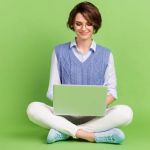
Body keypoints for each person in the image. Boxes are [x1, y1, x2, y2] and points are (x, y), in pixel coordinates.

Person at [27, 1, 133, 144]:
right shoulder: (59, 51)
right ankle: (90, 135)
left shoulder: (106, 54)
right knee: (33, 109)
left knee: (126, 113)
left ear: (95, 25)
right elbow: (52, 90)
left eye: (88, 24)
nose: (84, 28)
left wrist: (93, 105)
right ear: (72, 24)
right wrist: (71, 103)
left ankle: (65, 132)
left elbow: (112, 92)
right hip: (64, 115)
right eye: (78, 24)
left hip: (95, 116)